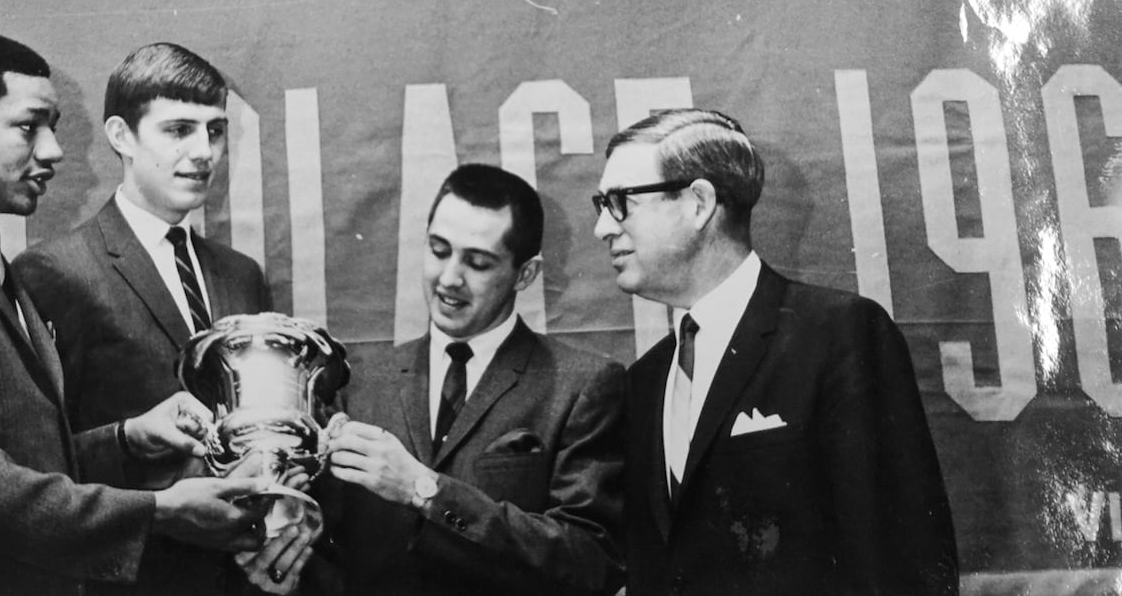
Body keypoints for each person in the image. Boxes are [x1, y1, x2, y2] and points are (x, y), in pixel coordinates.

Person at [0, 33, 266, 596]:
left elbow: (29, 457)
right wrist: (159, 510)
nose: (54, 150)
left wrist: (130, 438)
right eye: (29, 126)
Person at [595, 108, 958, 595]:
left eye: (620, 202)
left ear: (699, 203)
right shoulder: (644, 380)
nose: (603, 227)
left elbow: (901, 560)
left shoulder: (840, 335)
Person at [250, 163, 625, 596]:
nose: (449, 279)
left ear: (526, 274)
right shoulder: (356, 384)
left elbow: (591, 561)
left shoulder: (583, 384)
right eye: (438, 250)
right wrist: (285, 564)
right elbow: (336, 558)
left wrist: (424, 490)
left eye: (478, 263)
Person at [13, 41, 272, 595]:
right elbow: (32, 467)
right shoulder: (54, 273)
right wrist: (132, 444)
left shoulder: (241, 275)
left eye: (215, 130)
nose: (204, 151)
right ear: (120, 136)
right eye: (179, 130)